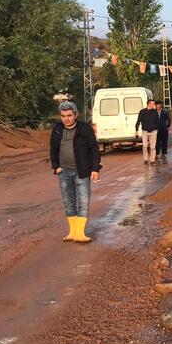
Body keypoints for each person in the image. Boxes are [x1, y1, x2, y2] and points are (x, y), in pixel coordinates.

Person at [50, 101, 101, 243]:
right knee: (68, 203)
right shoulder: (58, 129)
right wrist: (56, 167)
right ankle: (72, 232)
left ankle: (80, 233)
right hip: (63, 172)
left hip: (82, 171)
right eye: (63, 116)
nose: (66, 118)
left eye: (69, 115)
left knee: (83, 203)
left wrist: (95, 168)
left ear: (75, 115)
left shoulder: (85, 129)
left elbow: (94, 149)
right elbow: (53, 150)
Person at [135, 99, 160, 165]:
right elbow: (138, 121)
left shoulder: (155, 112)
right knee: (145, 146)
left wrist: (157, 129)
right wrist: (136, 130)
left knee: (153, 147)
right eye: (152, 104)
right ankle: (145, 159)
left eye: (154, 104)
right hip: (145, 131)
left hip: (153, 131)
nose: (154, 105)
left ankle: (152, 161)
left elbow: (158, 121)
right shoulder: (142, 112)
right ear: (149, 104)